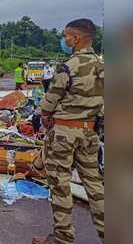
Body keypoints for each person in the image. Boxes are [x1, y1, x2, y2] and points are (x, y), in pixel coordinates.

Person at [33, 19, 104, 244]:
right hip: (90, 133)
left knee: (60, 185)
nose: (64, 40)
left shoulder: (68, 66)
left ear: (76, 39)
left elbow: (48, 103)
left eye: (66, 36)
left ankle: (63, 238)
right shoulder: (103, 65)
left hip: (64, 133)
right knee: (95, 185)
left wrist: (44, 116)